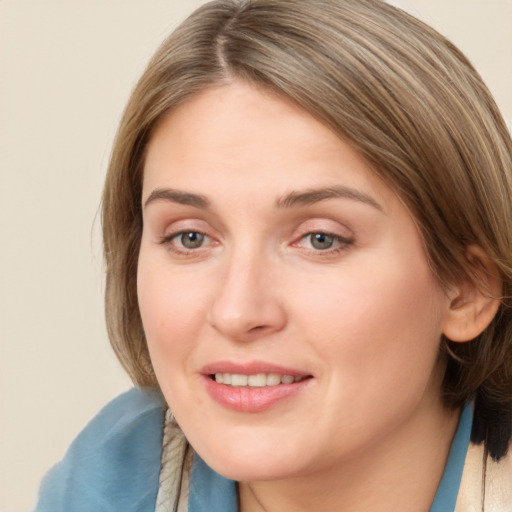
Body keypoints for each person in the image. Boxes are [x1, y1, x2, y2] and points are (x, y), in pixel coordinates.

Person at [34, 0, 512, 510]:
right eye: (190, 237)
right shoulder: (108, 480)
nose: (237, 312)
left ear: (465, 288)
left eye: (320, 239)